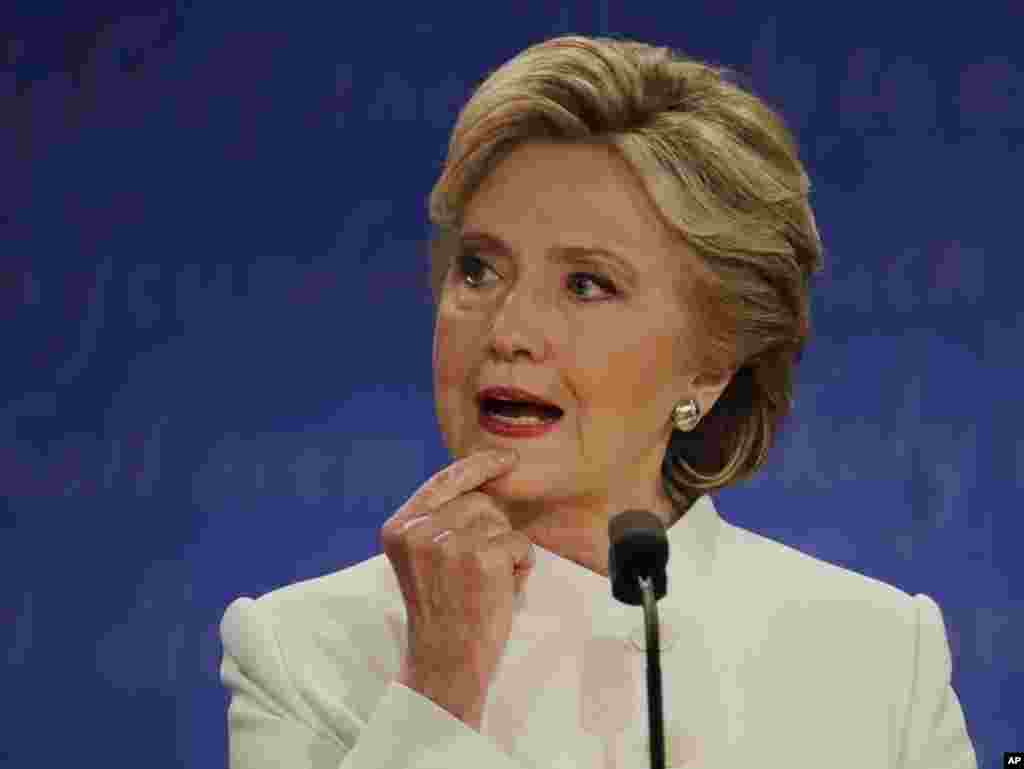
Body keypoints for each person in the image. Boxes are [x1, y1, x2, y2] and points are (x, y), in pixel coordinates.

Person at [218, 34, 977, 768]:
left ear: (710, 368)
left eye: (587, 284)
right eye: (478, 270)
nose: (508, 331)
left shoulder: (877, 657)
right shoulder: (300, 651)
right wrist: (439, 691)